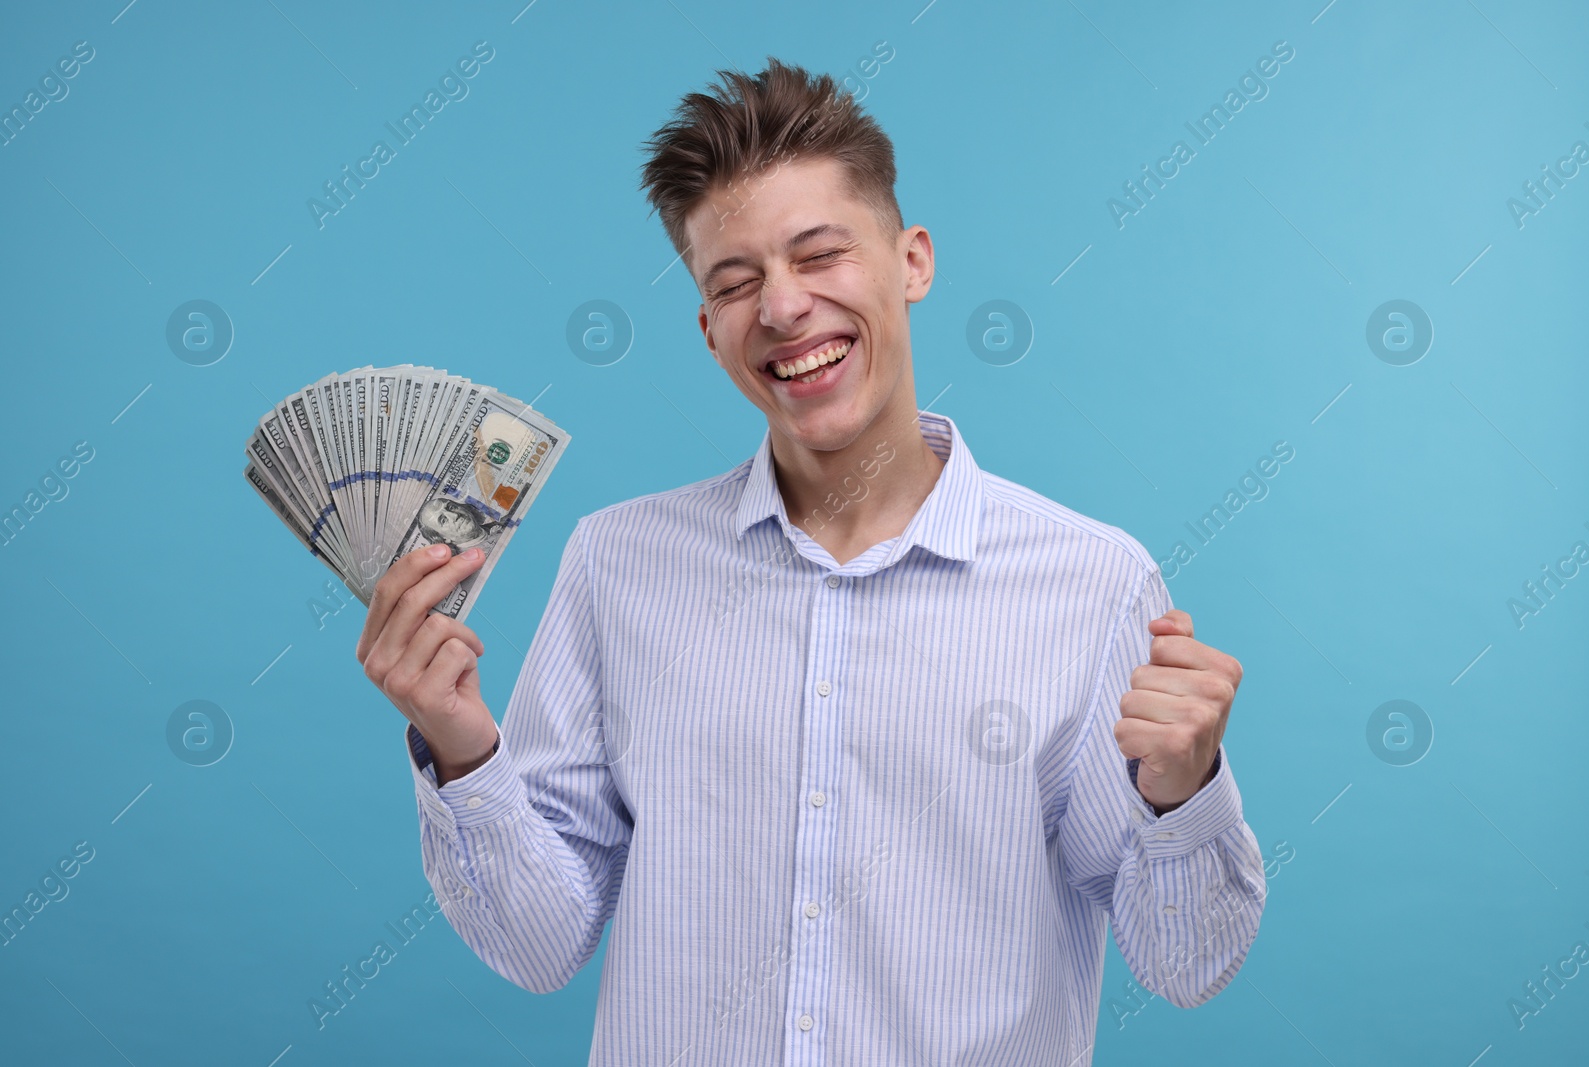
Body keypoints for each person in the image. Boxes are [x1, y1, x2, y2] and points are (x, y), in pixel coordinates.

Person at [356, 57, 1265, 1065]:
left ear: (911, 261)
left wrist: (1182, 791)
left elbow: (1187, 964)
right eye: (734, 282)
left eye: (819, 254)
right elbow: (538, 945)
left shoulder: (1092, 585)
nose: (782, 308)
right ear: (709, 332)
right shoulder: (616, 565)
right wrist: (460, 745)